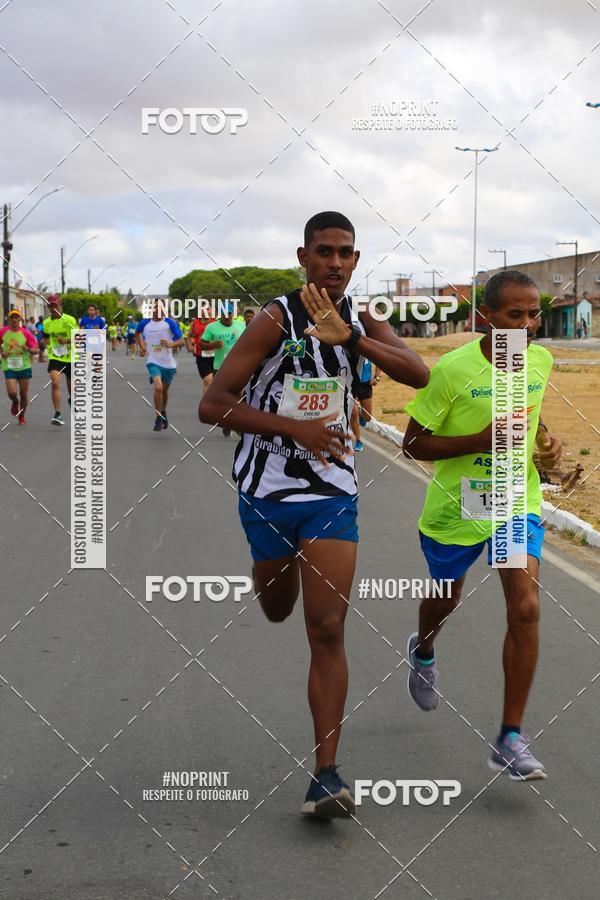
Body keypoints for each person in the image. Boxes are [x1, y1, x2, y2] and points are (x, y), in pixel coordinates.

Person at [200, 211, 428, 819]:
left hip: (331, 491)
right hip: (266, 490)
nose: (335, 263)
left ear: (357, 260)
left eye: (346, 253)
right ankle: (267, 569)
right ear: (303, 255)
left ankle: (326, 776)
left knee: (326, 628)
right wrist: (295, 428)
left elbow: (420, 375)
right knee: (278, 607)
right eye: (323, 252)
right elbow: (212, 404)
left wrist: (350, 340)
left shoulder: (363, 317)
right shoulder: (274, 318)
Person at [402, 270, 562, 781]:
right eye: (515, 314)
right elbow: (413, 443)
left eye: (533, 313)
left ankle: (510, 738)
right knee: (445, 598)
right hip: (460, 503)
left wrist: (545, 442)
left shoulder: (539, 359)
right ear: (486, 316)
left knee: (526, 605)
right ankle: (424, 648)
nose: (527, 325)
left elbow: (527, 414)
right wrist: (477, 440)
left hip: (515, 499)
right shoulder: (451, 371)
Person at [136, 301, 184, 431]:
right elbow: (137, 332)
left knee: (164, 391)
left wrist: (170, 344)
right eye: (154, 307)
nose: (157, 309)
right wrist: (141, 347)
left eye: (160, 307)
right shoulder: (145, 323)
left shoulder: (170, 323)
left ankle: (163, 412)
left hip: (168, 363)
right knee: (158, 388)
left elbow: (181, 340)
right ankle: (158, 417)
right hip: (153, 361)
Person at [200, 302, 245, 437]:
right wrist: (212, 344)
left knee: (239, 396)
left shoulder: (240, 325)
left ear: (233, 314)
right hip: (220, 367)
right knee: (224, 398)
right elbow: (202, 344)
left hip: (238, 367)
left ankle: (237, 424)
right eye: (224, 314)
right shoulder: (212, 327)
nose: (227, 316)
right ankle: (227, 422)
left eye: (229, 313)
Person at [42, 295, 79, 426]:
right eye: (50, 306)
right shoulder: (46, 323)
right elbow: (45, 338)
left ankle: (72, 400)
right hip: (55, 357)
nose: (53, 309)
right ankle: (58, 414)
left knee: (71, 387)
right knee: (55, 382)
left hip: (71, 357)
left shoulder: (69, 320)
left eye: (55, 306)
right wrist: (40, 344)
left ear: (60, 306)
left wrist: (66, 340)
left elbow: (80, 338)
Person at [0, 309, 38, 425]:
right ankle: (15, 401)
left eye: (17, 317)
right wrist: (2, 352)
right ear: (9, 319)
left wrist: (27, 349)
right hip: (9, 366)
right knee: (12, 392)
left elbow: (35, 350)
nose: (14, 320)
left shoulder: (26, 333)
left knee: (23, 394)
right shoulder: (3, 331)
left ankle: (21, 416)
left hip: (24, 366)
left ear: (20, 319)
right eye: (12, 317)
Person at [350, 356, 380, 452]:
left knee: (367, 417)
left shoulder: (368, 346)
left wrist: (376, 377)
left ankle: (361, 414)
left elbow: (379, 360)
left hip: (366, 385)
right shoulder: (349, 347)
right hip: (352, 384)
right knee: (353, 413)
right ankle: (358, 440)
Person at [187, 310, 215, 398]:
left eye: (208, 309)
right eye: (203, 310)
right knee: (207, 380)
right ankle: (206, 405)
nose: (206, 312)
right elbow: (189, 335)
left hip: (216, 355)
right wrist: (190, 346)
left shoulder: (216, 322)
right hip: (201, 355)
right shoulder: (195, 323)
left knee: (214, 382)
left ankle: (213, 402)